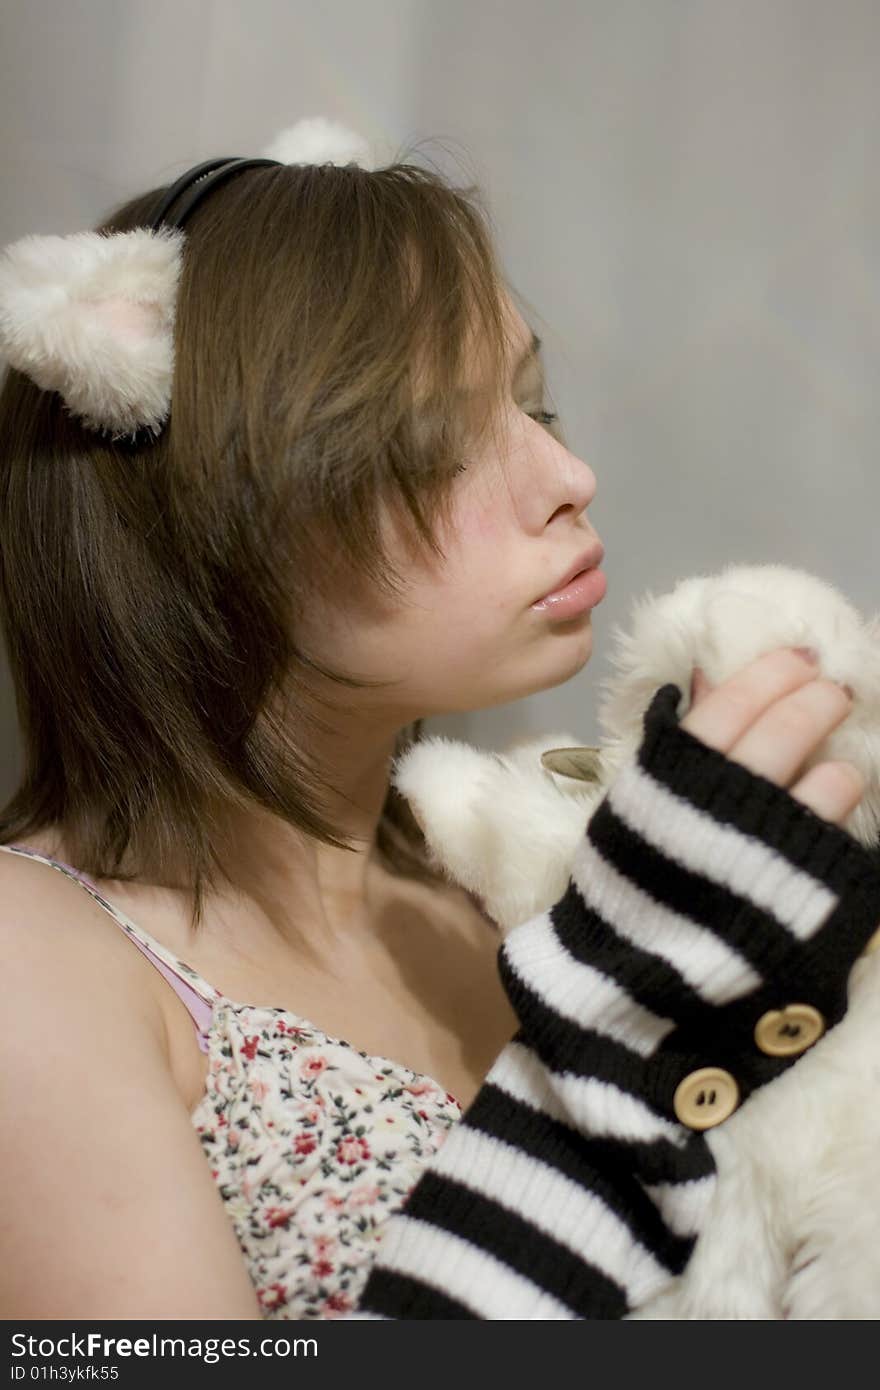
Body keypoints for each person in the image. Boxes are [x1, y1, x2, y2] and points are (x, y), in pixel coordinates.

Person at [1, 124, 877, 1321]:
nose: (566, 476)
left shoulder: (513, 876)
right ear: (209, 518)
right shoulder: (33, 960)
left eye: (534, 402)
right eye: (431, 437)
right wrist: (618, 1012)